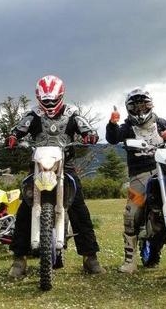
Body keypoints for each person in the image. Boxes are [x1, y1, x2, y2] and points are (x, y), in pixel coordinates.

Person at [6, 74, 106, 277]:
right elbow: (18, 129)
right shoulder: (32, 115)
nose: (49, 104)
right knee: (25, 209)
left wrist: (90, 135)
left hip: (65, 166)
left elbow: (86, 128)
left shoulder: (72, 113)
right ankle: (19, 259)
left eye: (53, 99)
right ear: (38, 97)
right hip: (37, 166)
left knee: (79, 208)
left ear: (61, 95)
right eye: (45, 100)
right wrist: (13, 137)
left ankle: (90, 258)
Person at [106, 88, 166, 273]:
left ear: (150, 104)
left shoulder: (160, 122)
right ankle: (130, 260)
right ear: (129, 108)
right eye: (135, 106)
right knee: (131, 213)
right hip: (139, 175)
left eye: (143, 105)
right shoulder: (126, 126)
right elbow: (112, 139)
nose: (140, 110)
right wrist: (112, 123)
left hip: (163, 170)